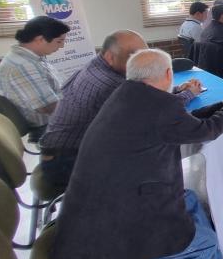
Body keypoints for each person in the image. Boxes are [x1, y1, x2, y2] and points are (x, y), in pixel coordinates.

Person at [51, 49, 223, 259]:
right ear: (168, 74)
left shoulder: (125, 95)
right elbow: (207, 131)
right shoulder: (159, 107)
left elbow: (184, 123)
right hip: (116, 226)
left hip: (96, 207)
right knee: (205, 246)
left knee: (188, 197)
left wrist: (221, 105)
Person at [39, 30, 201, 188]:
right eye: (135, 57)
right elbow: (155, 110)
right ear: (110, 56)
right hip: (67, 163)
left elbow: (145, 95)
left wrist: (176, 89)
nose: (143, 63)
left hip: (62, 152)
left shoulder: (97, 65)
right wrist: (189, 94)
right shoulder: (110, 83)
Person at [0, 16, 69, 139]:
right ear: (40, 39)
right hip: (47, 126)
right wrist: (81, 111)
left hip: (53, 119)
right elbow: (48, 106)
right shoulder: (22, 65)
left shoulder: (32, 58)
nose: (61, 46)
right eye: (59, 41)